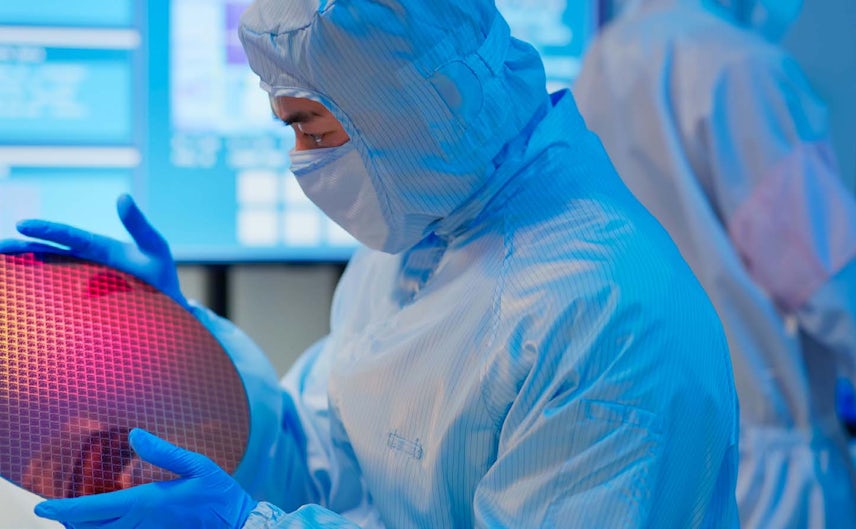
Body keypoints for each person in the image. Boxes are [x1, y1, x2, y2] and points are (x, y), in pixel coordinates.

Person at [2, 0, 739, 527]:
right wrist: (183, 357)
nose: (301, 160)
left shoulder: (605, 314)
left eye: (308, 127)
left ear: (402, 108)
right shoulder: (423, 234)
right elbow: (327, 460)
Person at [573, 0, 856, 527]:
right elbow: (831, 278)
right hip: (759, 476)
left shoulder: (601, 61)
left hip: (641, 461)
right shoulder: (736, 66)